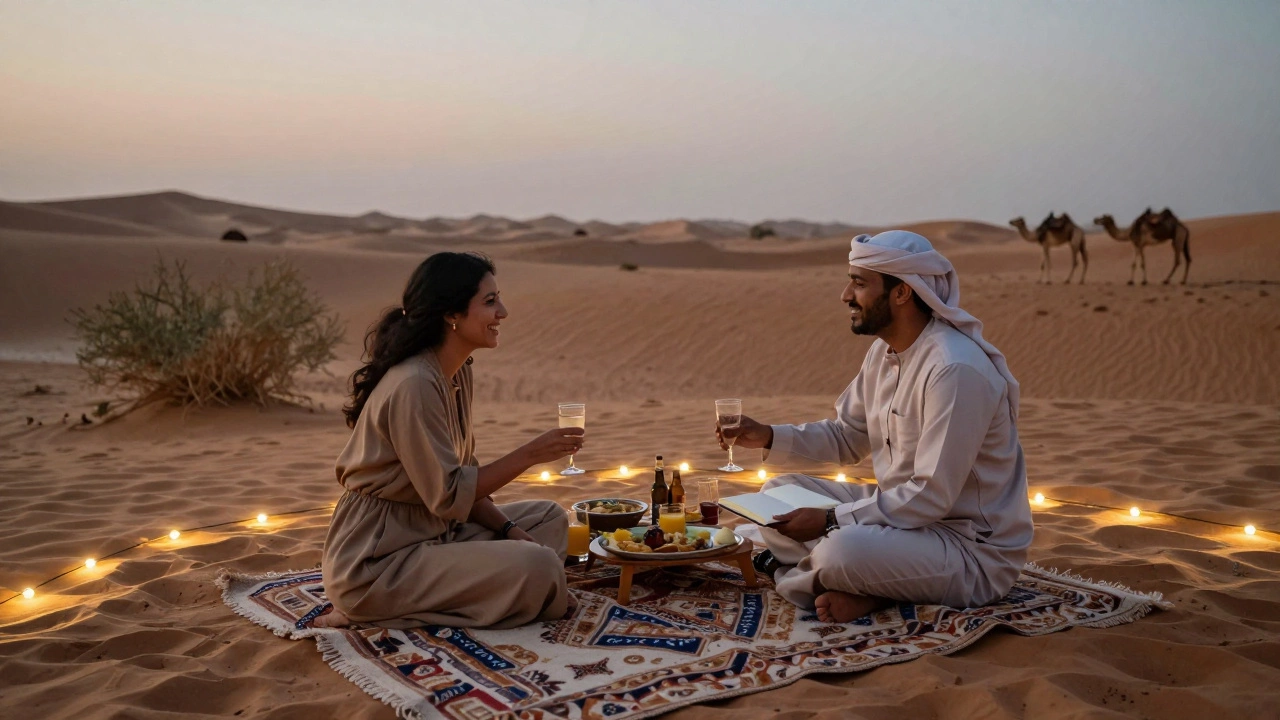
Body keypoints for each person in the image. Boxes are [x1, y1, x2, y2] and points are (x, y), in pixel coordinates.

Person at [718, 231, 1033, 623]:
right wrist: (767, 435)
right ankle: (869, 587)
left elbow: (932, 496)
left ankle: (781, 571)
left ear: (902, 292)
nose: (846, 295)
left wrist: (833, 520)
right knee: (778, 493)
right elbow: (846, 436)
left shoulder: (954, 370)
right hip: (901, 520)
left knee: (841, 551)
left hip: (967, 547)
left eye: (860, 282)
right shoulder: (884, 354)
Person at [318, 252, 584, 629]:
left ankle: (476, 586)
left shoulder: (456, 374)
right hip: (379, 560)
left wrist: (513, 532)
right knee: (538, 566)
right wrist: (530, 454)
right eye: (490, 302)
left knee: (549, 520)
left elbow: (467, 487)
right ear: (451, 315)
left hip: (439, 533)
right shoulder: (415, 384)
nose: (503, 312)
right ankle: (372, 608)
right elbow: (449, 494)